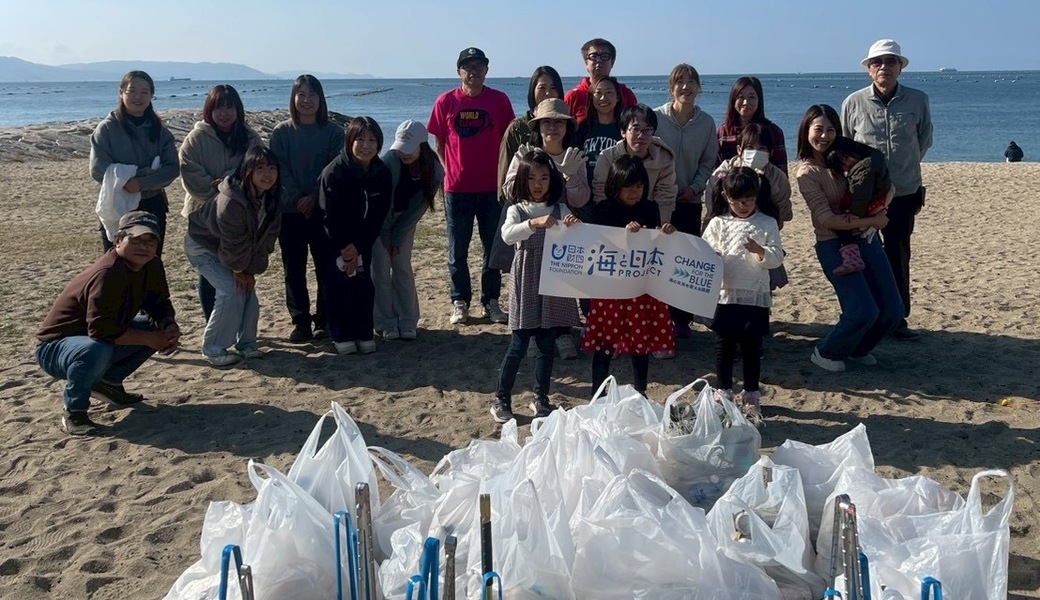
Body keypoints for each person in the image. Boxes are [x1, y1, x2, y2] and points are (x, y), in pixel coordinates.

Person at [35, 211, 181, 436]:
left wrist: (168, 326)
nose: (144, 246)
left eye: (151, 240)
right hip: (54, 348)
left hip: (93, 340)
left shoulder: (151, 265)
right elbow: (101, 330)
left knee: (154, 329)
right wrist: (151, 340)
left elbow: (158, 303)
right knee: (96, 348)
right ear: (118, 240)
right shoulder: (108, 273)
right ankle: (74, 411)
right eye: (137, 240)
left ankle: (108, 383)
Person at [795, 104, 903, 373]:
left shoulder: (846, 157)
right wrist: (875, 221)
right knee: (862, 310)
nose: (824, 136)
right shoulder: (807, 173)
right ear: (806, 131)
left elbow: (888, 185)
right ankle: (826, 351)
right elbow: (826, 219)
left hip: (867, 239)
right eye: (818, 129)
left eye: (830, 129)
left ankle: (858, 349)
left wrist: (882, 207)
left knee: (892, 309)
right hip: (834, 244)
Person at [841, 39, 933, 341]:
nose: (884, 67)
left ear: (900, 68)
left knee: (898, 255)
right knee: (863, 255)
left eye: (891, 62)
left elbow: (923, 141)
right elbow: (844, 146)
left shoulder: (918, 100)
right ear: (869, 69)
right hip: (863, 196)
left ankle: (898, 318)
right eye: (878, 62)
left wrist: (902, 170)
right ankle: (868, 313)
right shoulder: (853, 102)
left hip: (905, 192)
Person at [428, 47, 515, 325]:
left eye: (479, 65)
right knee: (458, 250)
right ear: (459, 72)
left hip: (492, 189)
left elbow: (508, 141)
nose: (473, 70)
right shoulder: (445, 102)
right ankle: (460, 301)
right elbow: (439, 143)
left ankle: (491, 301)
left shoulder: (499, 101)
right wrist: (449, 169)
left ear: (487, 70)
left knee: (492, 249)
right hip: (457, 189)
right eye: (468, 66)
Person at [492, 150, 581, 423]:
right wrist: (532, 223)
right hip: (526, 279)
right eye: (532, 178)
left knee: (546, 342)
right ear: (522, 180)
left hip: (553, 281)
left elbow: (578, 236)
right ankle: (501, 398)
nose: (538, 184)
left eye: (544, 177)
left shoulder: (561, 208)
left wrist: (574, 225)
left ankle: (540, 397)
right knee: (519, 342)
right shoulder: (517, 209)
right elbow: (508, 235)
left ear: (552, 180)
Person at [502, 98, 589, 360]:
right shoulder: (524, 154)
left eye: (559, 122)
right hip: (531, 234)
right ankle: (529, 334)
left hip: (560, 235)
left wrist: (570, 176)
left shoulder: (575, 156)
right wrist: (554, 173)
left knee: (560, 291)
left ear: (567, 126)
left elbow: (581, 199)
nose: (553, 127)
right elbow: (510, 190)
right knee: (530, 290)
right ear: (538, 126)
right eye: (546, 122)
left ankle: (562, 333)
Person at [582, 154, 676, 394]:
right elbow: (596, 245)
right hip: (610, 290)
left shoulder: (650, 208)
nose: (634, 192)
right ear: (615, 186)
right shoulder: (603, 210)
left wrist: (664, 232)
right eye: (628, 187)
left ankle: (641, 391)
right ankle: (597, 392)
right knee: (604, 344)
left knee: (639, 343)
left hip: (640, 289)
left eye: (639, 186)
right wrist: (622, 235)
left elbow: (656, 245)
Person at [185, 145, 282, 367]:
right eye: (260, 168)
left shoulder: (274, 197)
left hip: (231, 250)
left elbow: (267, 239)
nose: (267, 174)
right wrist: (240, 270)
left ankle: (247, 344)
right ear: (247, 170)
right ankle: (213, 349)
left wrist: (251, 270)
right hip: (202, 247)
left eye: (272, 168)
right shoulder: (231, 200)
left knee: (248, 292)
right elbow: (232, 242)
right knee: (231, 290)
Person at [702, 167, 784, 424]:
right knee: (723, 347)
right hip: (726, 295)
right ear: (727, 197)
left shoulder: (767, 222)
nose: (743, 206)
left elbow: (777, 257)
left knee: (751, 348)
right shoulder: (718, 223)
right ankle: (724, 392)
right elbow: (704, 251)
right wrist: (712, 257)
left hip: (754, 295)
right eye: (737, 201)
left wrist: (761, 251)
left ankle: (751, 395)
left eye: (748, 200)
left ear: (756, 196)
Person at [270, 74, 344, 342]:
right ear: (293, 98)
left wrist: (314, 196)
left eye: (312, 95)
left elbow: (335, 169)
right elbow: (278, 170)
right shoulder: (281, 132)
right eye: (301, 94)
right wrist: (298, 198)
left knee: (326, 267)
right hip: (290, 211)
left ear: (321, 99)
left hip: (324, 211)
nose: (307, 100)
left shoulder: (334, 132)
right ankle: (300, 321)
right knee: (294, 269)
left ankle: (323, 319)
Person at [178, 84, 261, 321]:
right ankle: (210, 321)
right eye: (218, 107)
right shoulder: (196, 138)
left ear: (238, 109)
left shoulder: (250, 137)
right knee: (211, 272)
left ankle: (238, 323)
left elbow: (256, 174)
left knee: (239, 266)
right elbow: (192, 177)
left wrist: (221, 181)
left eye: (230, 107)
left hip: (241, 214)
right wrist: (228, 182)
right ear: (209, 110)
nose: (224, 113)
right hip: (203, 215)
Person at [654, 63, 719, 341]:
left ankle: (681, 319)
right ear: (671, 88)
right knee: (658, 260)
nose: (686, 87)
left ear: (699, 88)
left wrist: (694, 188)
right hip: (658, 201)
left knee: (684, 261)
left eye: (691, 82)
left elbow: (708, 162)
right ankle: (658, 317)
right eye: (680, 82)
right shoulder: (656, 117)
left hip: (690, 201)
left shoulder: (706, 123)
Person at [319, 116, 393, 355]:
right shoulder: (336, 171)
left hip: (363, 241)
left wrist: (359, 246)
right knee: (339, 284)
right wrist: (345, 246)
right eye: (360, 139)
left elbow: (378, 215)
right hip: (334, 240)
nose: (366, 145)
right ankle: (341, 334)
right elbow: (328, 214)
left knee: (362, 284)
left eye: (372, 140)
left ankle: (363, 332)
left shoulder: (381, 172)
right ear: (349, 141)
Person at [89, 70, 179, 257]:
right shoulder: (107, 128)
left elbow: (172, 169)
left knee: (150, 262)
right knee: (116, 264)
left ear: (151, 96)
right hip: (117, 203)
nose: (138, 97)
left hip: (152, 204)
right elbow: (98, 170)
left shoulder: (160, 131)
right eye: (132, 91)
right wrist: (142, 174)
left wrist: (141, 183)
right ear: (121, 92)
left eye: (145, 92)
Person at [373, 120, 443, 341]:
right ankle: (385, 322)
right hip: (379, 223)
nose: (404, 154)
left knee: (402, 266)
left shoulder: (435, 169)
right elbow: (380, 205)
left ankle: (408, 320)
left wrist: (397, 236)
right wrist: (386, 236)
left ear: (422, 146)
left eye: (409, 149)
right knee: (381, 269)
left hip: (405, 223)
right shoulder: (389, 162)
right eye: (401, 147)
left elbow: (418, 208)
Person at [592, 104, 678, 224]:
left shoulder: (664, 158)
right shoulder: (608, 157)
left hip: (648, 217)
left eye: (647, 130)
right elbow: (601, 194)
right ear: (623, 132)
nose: (641, 135)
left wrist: (660, 228)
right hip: (613, 218)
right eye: (635, 129)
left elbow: (666, 198)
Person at [824, 136, 893, 276]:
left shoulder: (862, 171)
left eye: (844, 160)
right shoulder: (875, 156)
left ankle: (851, 257)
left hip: (871, 204)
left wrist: (854, 214)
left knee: (841, 224)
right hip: (882, 196)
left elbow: (861, 196)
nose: (846, 165)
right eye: (842, 166)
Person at [497, 66, 565, 206]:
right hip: (523, 206)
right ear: (532, 92)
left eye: (553, 88)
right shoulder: (518, 128)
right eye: (541, 88)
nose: (548, 93)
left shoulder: (566, 125)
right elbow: (505, 172)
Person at [717, 76, 789, 173]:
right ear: (733, 100)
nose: (746, 102)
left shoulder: (774, 132)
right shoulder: (723, 132)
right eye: (741, 97)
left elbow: (781, 172)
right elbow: (717, 172)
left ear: (759, 100)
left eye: (751, 97)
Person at [564, 38, 638, 125]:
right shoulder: (574, 96)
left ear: (612, 62)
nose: (599, 61)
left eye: (605, 56)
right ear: (586, 63)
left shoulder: (625, 94)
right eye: (593, 56)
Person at [576, 76, 624, 187]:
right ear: (592, 97)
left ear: (617, 97)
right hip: (586, 193)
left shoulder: (624, 130)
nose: (603, 98)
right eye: (598, 93)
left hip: (614, 193)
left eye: (609, 93)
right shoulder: (582, 129)